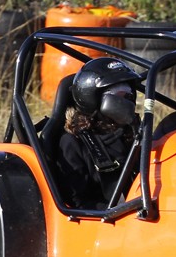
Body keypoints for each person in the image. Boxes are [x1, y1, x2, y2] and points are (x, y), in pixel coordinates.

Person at [57, 57, 140, 208]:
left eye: (129, 95)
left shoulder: (133, 132)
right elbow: (77, 202)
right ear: (93, 98)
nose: (127, 102)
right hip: (104, 223)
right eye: (120, 95)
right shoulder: (73, 142)